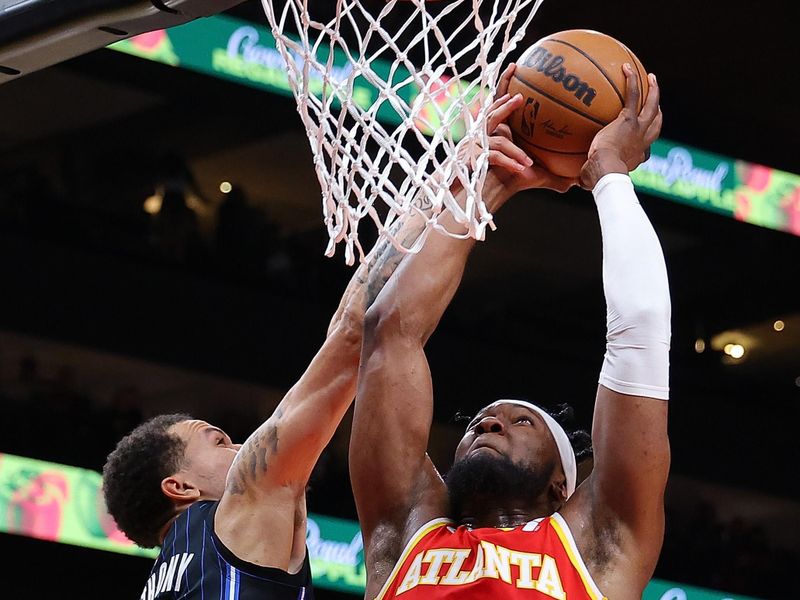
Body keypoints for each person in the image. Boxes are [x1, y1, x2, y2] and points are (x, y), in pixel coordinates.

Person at [100, 72, 572, 599]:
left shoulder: (165, 580)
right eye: (220, 442)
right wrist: (471, 183)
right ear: (181, 487)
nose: (241, 444)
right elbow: (353, 337)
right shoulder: (240, 508)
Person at [351, 62, 666, 600]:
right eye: (480, 423)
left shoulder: (597, 544)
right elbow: (390, 331)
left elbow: (640, 328)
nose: (487, 427)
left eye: (519, 422)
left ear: (560, 486)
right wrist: (489, 183)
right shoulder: (404, 533)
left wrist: (609, 173)